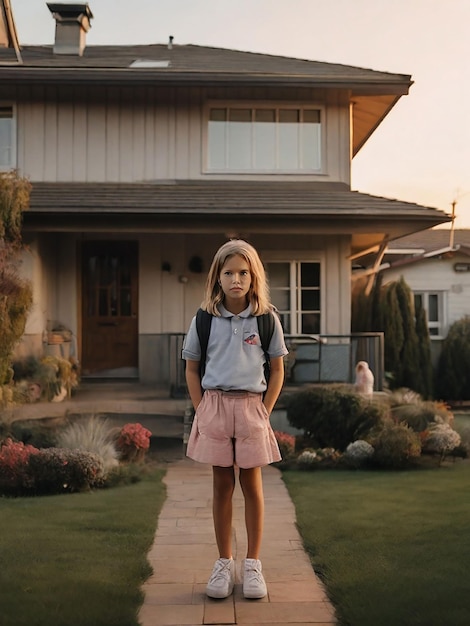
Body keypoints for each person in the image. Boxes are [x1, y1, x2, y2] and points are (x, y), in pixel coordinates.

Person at [182, 239, 288, 600]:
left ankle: (253, 565)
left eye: (243, 272)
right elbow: (192, 368)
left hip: (251, 408)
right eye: (228, 273)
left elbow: (277, 369)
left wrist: (265, 409)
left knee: (252, 487)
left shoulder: (266, 318)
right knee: (221, 486)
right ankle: (224, 562)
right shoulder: (204, 319)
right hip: (214, 406)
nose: (236, 279)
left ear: (253, 276)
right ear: (218, 278)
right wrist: (202, 410)